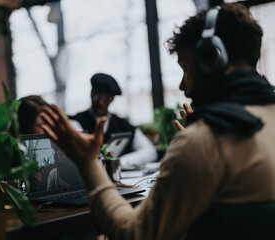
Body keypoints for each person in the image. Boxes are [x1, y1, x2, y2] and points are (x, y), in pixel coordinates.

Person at [40, 3, 275, 239]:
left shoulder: (204, 142)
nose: (183, 86)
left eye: (185, 67)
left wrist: (87, 162)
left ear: (212, 58)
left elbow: (132, 235)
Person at [70, 73, 157, 169]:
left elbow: (150, 152)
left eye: (106, 98)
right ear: (91, 94)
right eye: (97, 97)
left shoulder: (123, 125)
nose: (100, 102)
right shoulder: (76, 122)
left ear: (112, 99)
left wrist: (121, 162)